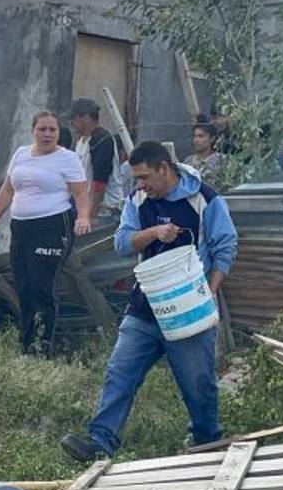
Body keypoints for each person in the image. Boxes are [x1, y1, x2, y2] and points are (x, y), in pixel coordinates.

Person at [60, 141, 238, 461]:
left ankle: (207, 443)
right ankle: (100, 441)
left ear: (164, 168)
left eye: (144, 177)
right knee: (120, 372)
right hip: (145, 304)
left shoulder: (204, 199)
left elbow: (225, 247)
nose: (140, 184)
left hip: (188, 307)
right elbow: (122, 243)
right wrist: (154, 232)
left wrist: (210, 291)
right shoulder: (137, 200)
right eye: (136, 178)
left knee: (198, 382)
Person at [0, 110, 92, 355]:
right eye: (42, 129)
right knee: (23, 286)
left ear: (58, 133)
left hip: (53, 226)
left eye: (52, 130)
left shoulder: (67, 159)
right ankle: (27, 344)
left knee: (42, 286)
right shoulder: (21, 154)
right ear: (33, 131)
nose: (47, 134)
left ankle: (42, 346)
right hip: (21, 227)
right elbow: (8, 190)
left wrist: (83, 217)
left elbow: (80, 192)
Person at [69, 98, 124, 219]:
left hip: (106, 209)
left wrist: (91, 215)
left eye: (73, 118)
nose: (71, 122)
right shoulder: (80, 141)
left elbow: (100, 181)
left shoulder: (101, 140)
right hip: (86, 207)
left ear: (86, 118)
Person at [183, 119, 226, 189]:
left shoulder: (221, 160)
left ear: (212, 139)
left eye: (201, 136)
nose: (196, 140)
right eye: (194, 136)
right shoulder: (188, 161)